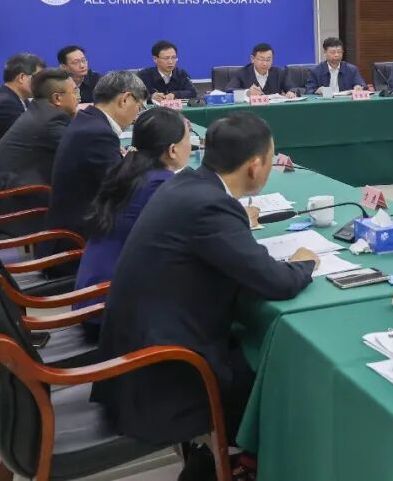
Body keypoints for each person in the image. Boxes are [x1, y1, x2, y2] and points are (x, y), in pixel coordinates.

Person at [92, 112, 318, 469]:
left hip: (140, 350)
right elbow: (277, 282)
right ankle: (254, 464)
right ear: (255, 166)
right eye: (271, 159)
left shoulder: (187, 184)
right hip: (161, 375)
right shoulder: (210, 205)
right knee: (282, 370)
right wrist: (305, 263)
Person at [73, 107, 191, 341]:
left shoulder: (130, 169)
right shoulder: (159, 185)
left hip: (92, 298)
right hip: (110, 313)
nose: (191, 145)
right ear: (172, 150)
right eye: (188, 139)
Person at [44, 71, 147, 263]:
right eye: (139, 107)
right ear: (125, 99)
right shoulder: (98, 133)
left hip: (74, 228)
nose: (136, 116)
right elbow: (122, 189)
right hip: (77, 245)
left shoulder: (87, 120)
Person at [0, 68, 79, 237]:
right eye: (74, 91)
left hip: (18, 192)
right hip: (21, 204)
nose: (78, 97)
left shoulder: (40, 110)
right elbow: (79, 153)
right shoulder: (51, 120)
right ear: (57, 98)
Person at [0, 53, 45, 140]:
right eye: (39, 78)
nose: (42, 84)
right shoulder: (6, 104)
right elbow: (28, 136)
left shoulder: (23, 100)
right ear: (22, 78)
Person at [226, 42, 296, 97]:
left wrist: (291, 92)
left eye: (268, 60)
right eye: (261, 59)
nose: (265, 63)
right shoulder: (242, 73)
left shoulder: (279, 73)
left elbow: (294, 88)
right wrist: (247, 92)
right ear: (252, 59)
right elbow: (229, 90)